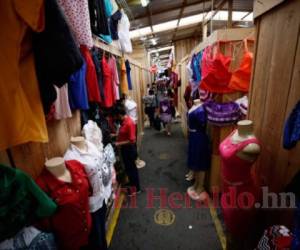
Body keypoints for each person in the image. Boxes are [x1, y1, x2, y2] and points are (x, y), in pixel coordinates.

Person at [115, 105, 141, 195]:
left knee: (132, 169)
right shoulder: (125, 121)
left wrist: (118, 143)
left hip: (129, 149)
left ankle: (136, 188)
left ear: (120, 115)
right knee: (129, 168)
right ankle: (132, 184)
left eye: (117, 116)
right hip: (125, 149)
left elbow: (132, 140)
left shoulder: (129, 123)